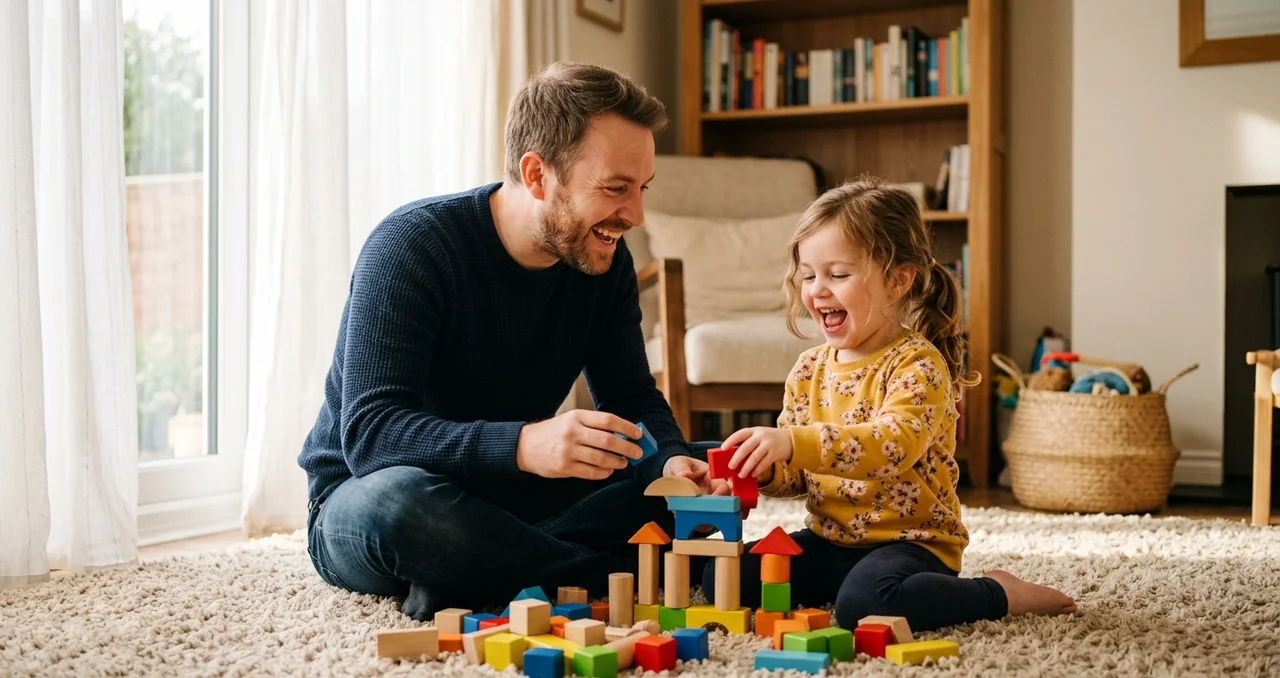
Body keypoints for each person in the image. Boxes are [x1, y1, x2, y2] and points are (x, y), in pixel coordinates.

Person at [299, 62, 717, 622]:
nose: (635, 215)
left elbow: (632, 398)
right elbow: (371, 436)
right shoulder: (411, 246)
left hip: (514, 496)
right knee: (400, 509)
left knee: (687, 470)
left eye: (641, 190)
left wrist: (668, 466)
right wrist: (525, 446)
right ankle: (600, 575)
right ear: (538, 175)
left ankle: (475, 576)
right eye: (616, 189)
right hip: (373, 494)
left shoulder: (604, 262)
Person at [701, 177, 1077, 631]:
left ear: (898, 281)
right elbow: (799, 472)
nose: (818, 289)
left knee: (868, 606)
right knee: (725, 577)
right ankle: (841, 585)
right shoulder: (808, 369)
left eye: (838, 274)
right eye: (808, 275)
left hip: (912, 545)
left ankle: (998, 592)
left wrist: (792, 441)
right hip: (829, 538)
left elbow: (891, 446)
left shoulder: (918, 364)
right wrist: (762, 469)